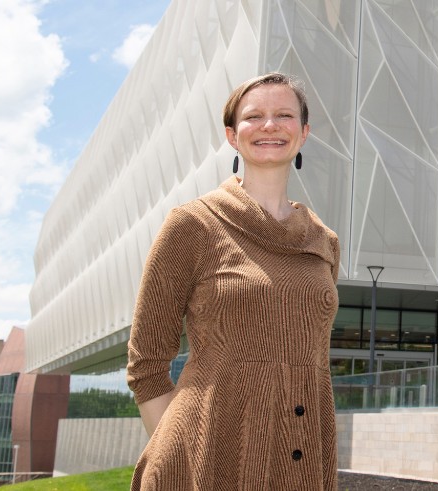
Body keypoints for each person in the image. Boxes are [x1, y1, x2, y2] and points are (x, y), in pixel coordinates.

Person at [126, 72, 340, 490]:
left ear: (304, 132)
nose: (269, 125)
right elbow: (147, 363)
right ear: (231, 135)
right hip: (207, 463)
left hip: (303, 457)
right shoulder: (193, 224)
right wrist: (185, 454)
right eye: (253, 116)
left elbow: (315, 362)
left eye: (284, 115)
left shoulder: (324, 241)